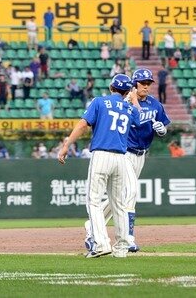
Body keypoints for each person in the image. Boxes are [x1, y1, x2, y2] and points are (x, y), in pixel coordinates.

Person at [84, 67, 170, 254]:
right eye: (142, 83)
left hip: (141, 154)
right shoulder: (123, 104)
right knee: (130, 192)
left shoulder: (155, 105)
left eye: (149, 83)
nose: (146, 86)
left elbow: (164, 125)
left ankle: (92, 226)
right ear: (133, 84)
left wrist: (162, 130)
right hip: (124, 153)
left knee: (121, 197)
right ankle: (128, 238)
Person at [58, 74, 141, 258]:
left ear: (111, 87)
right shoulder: (129, 108)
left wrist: (66, 145)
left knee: (94, 201)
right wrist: (134, 100)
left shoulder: (100, 102)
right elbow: (139, 119)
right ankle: (121, 248)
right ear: (127, 91)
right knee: (118, 204)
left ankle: (101, 243)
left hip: (102, 154)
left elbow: (82, 125)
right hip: (121, 157)